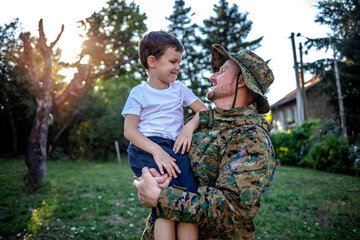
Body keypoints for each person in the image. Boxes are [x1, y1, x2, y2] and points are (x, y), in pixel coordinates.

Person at [133, 44, 276, 239]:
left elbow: (230, 209)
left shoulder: (250, 138)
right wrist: (148, 179)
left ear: (241, 81)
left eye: (222, 71)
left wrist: (161, 198)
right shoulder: (201, 125)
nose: (212, 76)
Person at [122, 31, 207, 240]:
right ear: (152, 61)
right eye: (173, 61)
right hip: (147, 149)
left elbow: (204, 111)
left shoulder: (179, 89)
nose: (177, 67)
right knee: (164, 200)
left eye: (179, 62)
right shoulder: (138, 93)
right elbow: (130, 131)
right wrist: (157, 151)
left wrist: (188, 128)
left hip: (176, 148)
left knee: (188, 200)